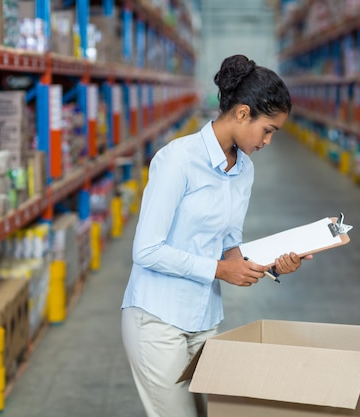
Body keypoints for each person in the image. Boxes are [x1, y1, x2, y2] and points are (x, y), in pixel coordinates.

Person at [120, 54, 309, 417]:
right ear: (242, 113)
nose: (268, 141)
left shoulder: (244, 169)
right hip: (157, 320)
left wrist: (273, 264)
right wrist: (220, 271)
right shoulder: (177, 160)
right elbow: (146, 250)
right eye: (267, 130)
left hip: (204, 317)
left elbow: (228, 245)